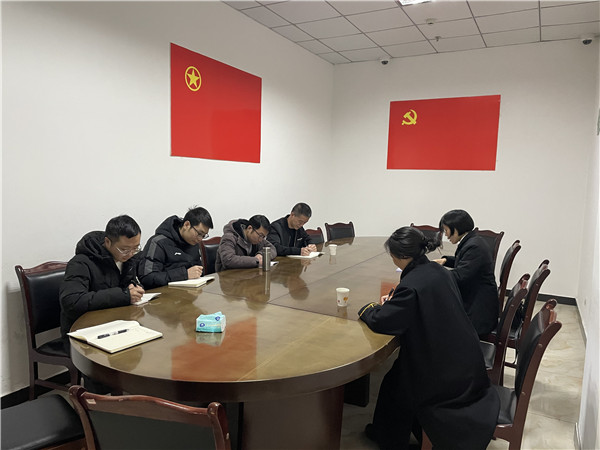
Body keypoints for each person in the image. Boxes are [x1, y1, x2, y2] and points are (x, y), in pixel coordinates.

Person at [358, 226, 500, 450]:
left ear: (400, 256)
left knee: (398, 384)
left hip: (444, 372)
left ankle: (390, 439)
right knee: (396, 378)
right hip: (462, 357)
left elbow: (384, 321)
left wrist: (369, 309)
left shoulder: (412, 285)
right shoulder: (437, 270)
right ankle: (390, 435)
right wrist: (397, 301)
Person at [60, 215, 145, 337]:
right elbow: (72, 302)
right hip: (85, 332)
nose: (131, 254)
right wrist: (124, 295)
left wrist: (135, 289)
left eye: (136, 248)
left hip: (117, 325)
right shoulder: (81, 263)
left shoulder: (128, 259)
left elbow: (128, 284)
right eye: (124, 249)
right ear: (107, 242)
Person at [435, 209, 499, 337]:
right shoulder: (473, 240)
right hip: (475, 300)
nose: (446, 235)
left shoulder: (474, 247)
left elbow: (459, 276)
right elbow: (465, 262)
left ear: (456, 229)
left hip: (477, 314)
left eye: (446, 230)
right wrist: (445, 260)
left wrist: (433, 272)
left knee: (434, 316)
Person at [138, 206, 213, 289]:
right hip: (165, 294)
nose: (200, 239)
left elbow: (198, 272)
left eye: (203, 236)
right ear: (186, 225)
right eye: (199, 234)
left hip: (189, 292)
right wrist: (184, 274)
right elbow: (147, 277)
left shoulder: (194, 242)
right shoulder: (158, 242)